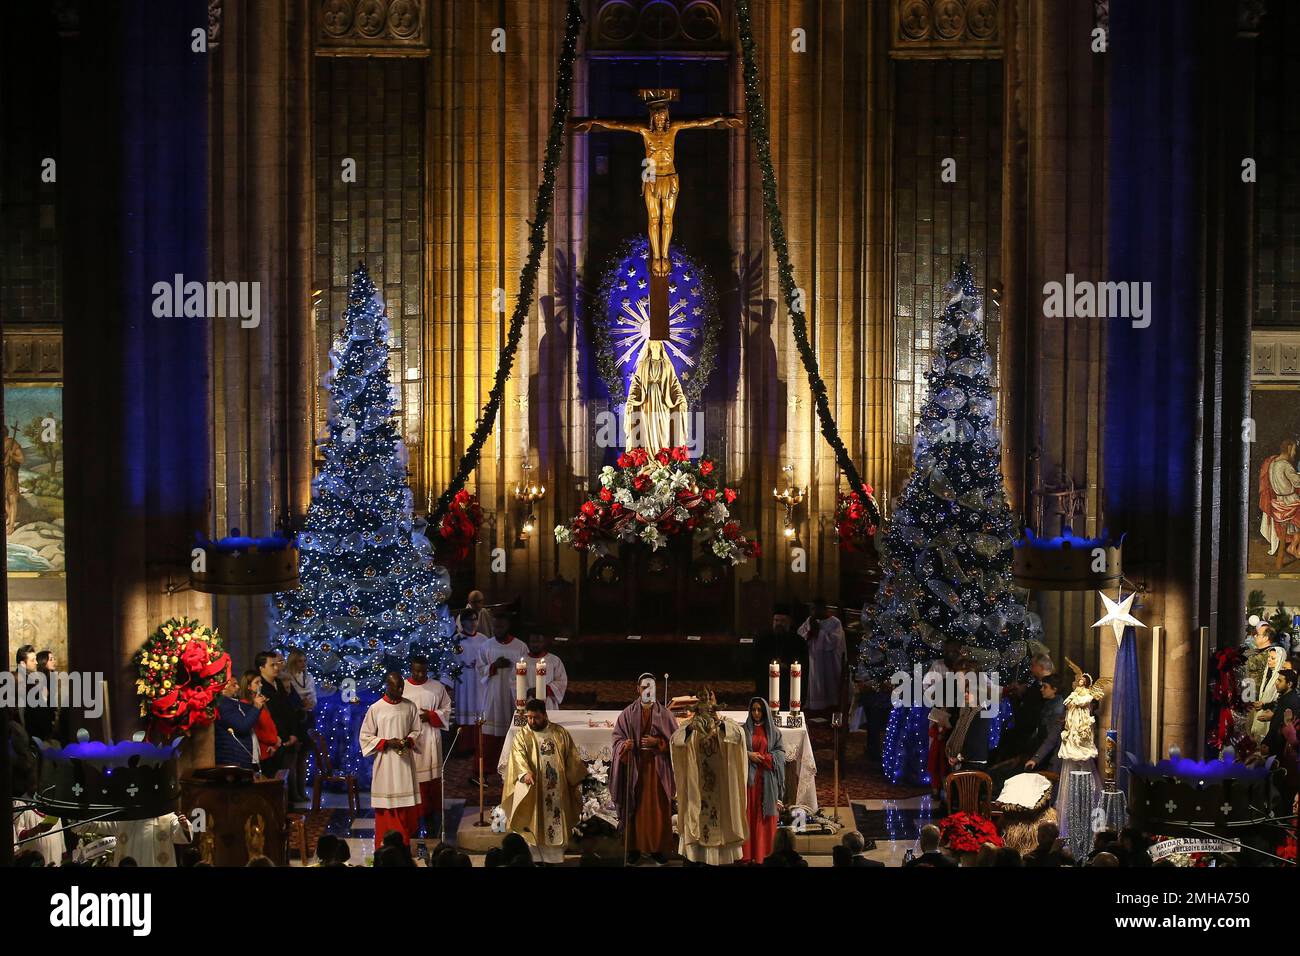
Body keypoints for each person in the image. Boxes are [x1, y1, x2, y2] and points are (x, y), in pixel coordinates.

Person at [502, 698, 586, 864]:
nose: (532, 721)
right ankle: (535, 858)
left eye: (536, 717)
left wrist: (576, 778)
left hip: (557, 790)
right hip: (534, 790)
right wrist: (525, 773)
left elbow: (571, 758)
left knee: (555, 820)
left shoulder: (559, 733)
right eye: (529, 717)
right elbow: (518, 756)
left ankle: (554, 859)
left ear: (545, 716)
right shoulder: (522, 736)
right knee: (535, 823)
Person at [670, 688, 748, 865]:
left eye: (710, 697)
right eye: (703, 698)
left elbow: (739, 737)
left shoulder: (726, 723)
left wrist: (719, 724)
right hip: (697, 786)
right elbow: (676, 741)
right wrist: (690, 727)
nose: (707, 701)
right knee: (696, 819)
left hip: (720, 787)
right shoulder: (690, 725)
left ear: (715, 700)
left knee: (719, 823)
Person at [610, 673, 677, 864]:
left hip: (657, 770)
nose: (648, 691)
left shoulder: (665, 714)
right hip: (636, 770)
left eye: (652, 688)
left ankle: (657, 849)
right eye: (644, 687)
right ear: (637, 689)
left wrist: (659, 742)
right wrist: (625, 746)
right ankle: (634, 848)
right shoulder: (627, 714)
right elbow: (617, 740)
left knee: (657, 810)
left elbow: (676, 743)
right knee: (635, 808)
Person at [359, 671, 422, 850]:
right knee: (386, 808)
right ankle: (384, 846)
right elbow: (365, 736)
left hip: (404, 763)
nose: (401, 689)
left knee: (404, 808)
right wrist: (386, 742)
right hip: (385, 762)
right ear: (387, 686)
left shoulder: (410, 706)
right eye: (396, 686)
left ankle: (403, 845)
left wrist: (408, 740)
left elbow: (417, 730)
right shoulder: (376, 708)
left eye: (402, 685)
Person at [475, 610, 529, 782]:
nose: (498, 628)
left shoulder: (520, 646)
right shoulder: (486, 646)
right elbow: (479, 668)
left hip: (513, 695)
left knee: (514, 730)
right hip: (492, 694)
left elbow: (528, 668)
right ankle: (489, 768)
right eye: (496, 626)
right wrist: (493, 666)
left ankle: (515, 766)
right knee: (490, 733)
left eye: (502, 625)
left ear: (508, 625)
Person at [403, 655, 452, 835]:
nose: (419, 674)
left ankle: (431, 814)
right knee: (413, 778)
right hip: (410, 737)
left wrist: (430, 716)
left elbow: (447, 709)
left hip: (430, 735)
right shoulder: (403, 687)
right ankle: (414, 814)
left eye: (423, 671)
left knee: (431, 779)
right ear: (411, 668)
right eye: (416, 670)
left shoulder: (437, 687)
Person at [255, 650, 306, 801]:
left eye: (277, 664)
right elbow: (268, 717)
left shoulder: (278, 683)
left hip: (286, 737)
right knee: (276, 781)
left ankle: (289, 806)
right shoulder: (260, 688)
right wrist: (277, 738)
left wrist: (293, 734)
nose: (277, 668)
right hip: (273, 740)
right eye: (272, 665)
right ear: (261, 668)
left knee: (287, 775)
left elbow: (288, 710)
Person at [740, 697, 785, 865]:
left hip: (767, 782)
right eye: (753, 710)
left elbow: (780, 754)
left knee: (764, 818)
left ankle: (763, 854)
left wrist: (764, 758)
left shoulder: (773, 732)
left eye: (759, 710)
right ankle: (747, 854)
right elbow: (735, 751)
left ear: (765, 711)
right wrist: (748, 755)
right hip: (749, 782)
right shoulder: (744, 730)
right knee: (749, 817)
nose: (756, 713)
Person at [75, 812, 192, 867]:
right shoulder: (124, 818)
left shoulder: (167, 818)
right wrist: (75, 818)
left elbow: (181, 835)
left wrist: (184, 826)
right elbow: (98, 823)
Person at [925, 637, 965, 799]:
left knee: (952, 756)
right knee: (935, 754)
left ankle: (951, 790)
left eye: (953, 652)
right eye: (947, 651)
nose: (950, 654)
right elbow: (927, 690)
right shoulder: (938, 667)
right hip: (939, 717)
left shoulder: (965, 670)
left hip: (957, 719)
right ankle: (936, 788)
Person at [797, 599, 846, 715]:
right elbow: (800, 633)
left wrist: (819, 632)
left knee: (828, 681)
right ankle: (814, 706)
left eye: (816, 609)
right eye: (812, 609)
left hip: (829, 659)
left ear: (823, 609)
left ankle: (830, 706)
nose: (814, 611)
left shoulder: (835, 622)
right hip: (814, 657)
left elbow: (836, 639)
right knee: (815, 680)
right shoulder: (810, 620)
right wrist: (809, 634)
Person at [753, 603, 805, 705]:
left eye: (783, 621)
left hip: (789, 686)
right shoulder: (763, 640)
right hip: (767, 686)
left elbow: (803, 664)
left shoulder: (798, 642)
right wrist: (771, 665)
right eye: (776, 621)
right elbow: (756, 661)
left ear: (789, 622)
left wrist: (787, 666)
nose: (779, 624)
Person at [284, 649, 317, 795]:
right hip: (295, 718)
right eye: (299, 661)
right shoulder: (288, 678)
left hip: (308, 717)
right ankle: (294, 791)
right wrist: (301, 703)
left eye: (305, 661)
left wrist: (310, 703)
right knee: (294, 756)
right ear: (293, 662)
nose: (303, 663)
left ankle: (302, 789)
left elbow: (313, 696)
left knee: (304, 755)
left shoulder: (308, 677)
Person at [215, 672, 263, 769]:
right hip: (233, 758)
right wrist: (256, 707)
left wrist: (257, 704)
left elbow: (248, 709)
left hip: (241, 758)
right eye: (234, 685)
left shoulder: (232, 702)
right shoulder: (223, 705)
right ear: (223, 688)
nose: (238, 687)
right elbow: (242, 726)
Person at [1023, 673, 1067, 772]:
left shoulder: (1058, 709)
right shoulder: (1048, 705)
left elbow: (1052, 738)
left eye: (1045, 687)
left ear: (1054, 689)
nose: (1041, 689)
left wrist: (1037, 758)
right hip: (1043, 751)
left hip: (1052, 756)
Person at [1251, 645, 1288, 743]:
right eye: (1268, 657)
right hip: (1262, 711)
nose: (1269, 660)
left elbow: (1281, 699)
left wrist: (1265, 705)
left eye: (1273, 658)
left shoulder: (1282, 678)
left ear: (1280, 659)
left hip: (1273, 715)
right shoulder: (1267, 673)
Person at [1259, 666, 1299, 757]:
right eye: (1277, 680)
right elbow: (1276, 724)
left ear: (1289, 684)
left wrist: (1270, 748)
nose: (1276, 683)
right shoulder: (1284, 697)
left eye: (1280, 681)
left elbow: (1283, 732)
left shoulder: (1291, 702)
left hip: (1278, 753)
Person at [524, 629, 568, 708]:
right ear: (528, 643)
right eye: (533, 642)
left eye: (538, 642)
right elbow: (513, 682)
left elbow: (561, 681)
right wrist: (528, 691)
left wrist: (546, 689)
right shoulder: (521, 661)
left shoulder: (554, 660)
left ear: (544, 643)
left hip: (548, 703)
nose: (535, 645)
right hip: (528, 702)